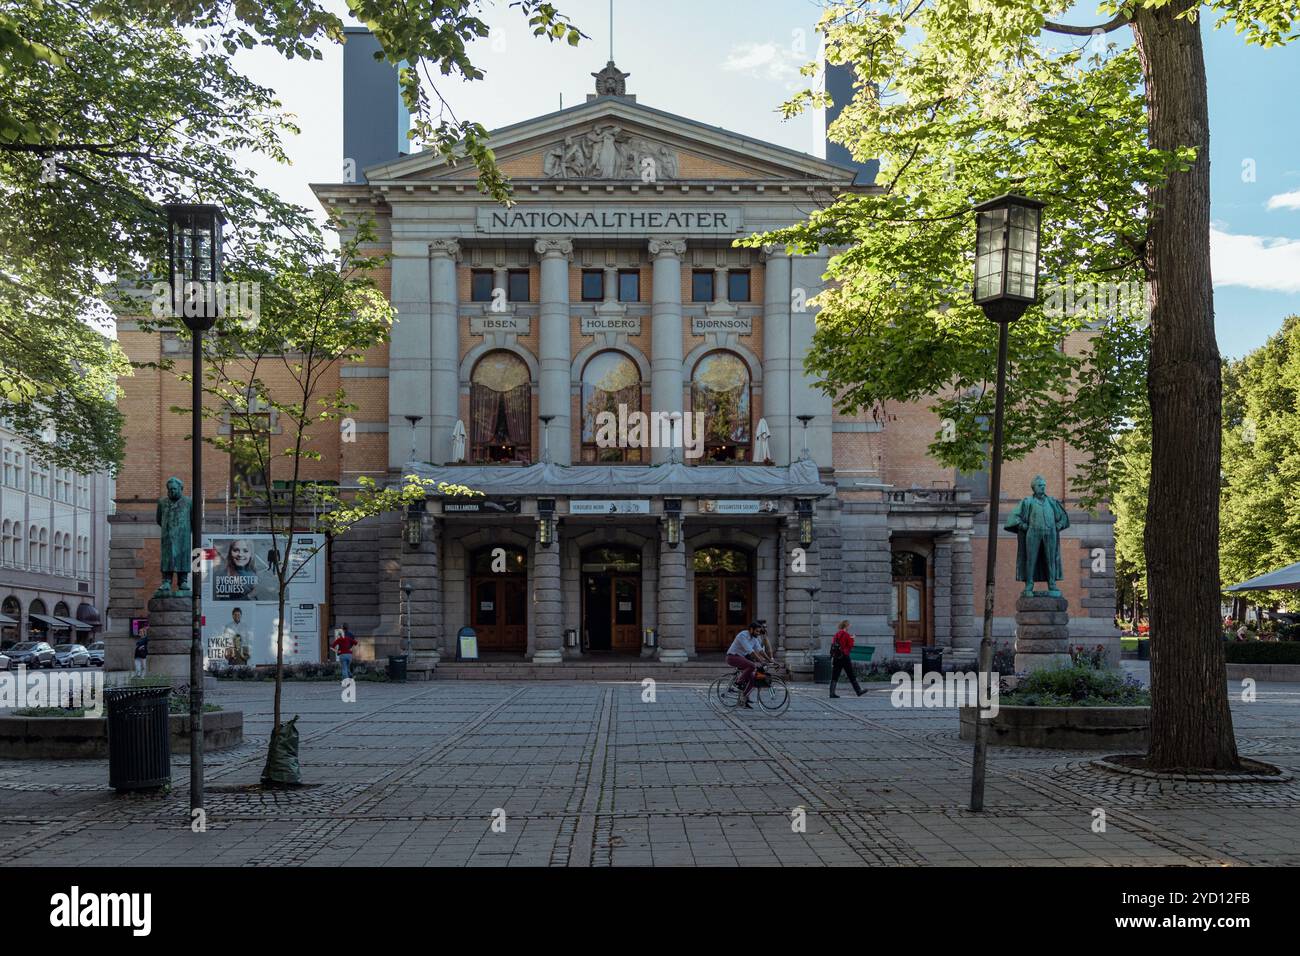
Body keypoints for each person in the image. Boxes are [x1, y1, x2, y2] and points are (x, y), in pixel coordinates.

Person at [726, 621, 770, 709]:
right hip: (732, 657)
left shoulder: (754, 639)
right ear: (751, 629)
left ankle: (743, 699)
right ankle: (737, 683)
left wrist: (770, 660)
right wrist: (761, 660)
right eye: (757, 631)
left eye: (759, 631)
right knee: (752, 665)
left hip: (742, 658)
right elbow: (751, 651)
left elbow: (760, 650)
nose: (758, 633)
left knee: (753, 679)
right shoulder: (743, 635)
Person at [829, 619, 866, 699]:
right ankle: (858, 691)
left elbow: (833, 644)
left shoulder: (836, 634)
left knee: (835, 675)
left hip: (836, 657)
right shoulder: (846, 635)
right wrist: (852, 638)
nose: (849, 626)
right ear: (846, 626)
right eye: (849, 625)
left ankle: (831, 693)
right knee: (851, 674)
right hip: (844, 657)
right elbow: (850, 645)